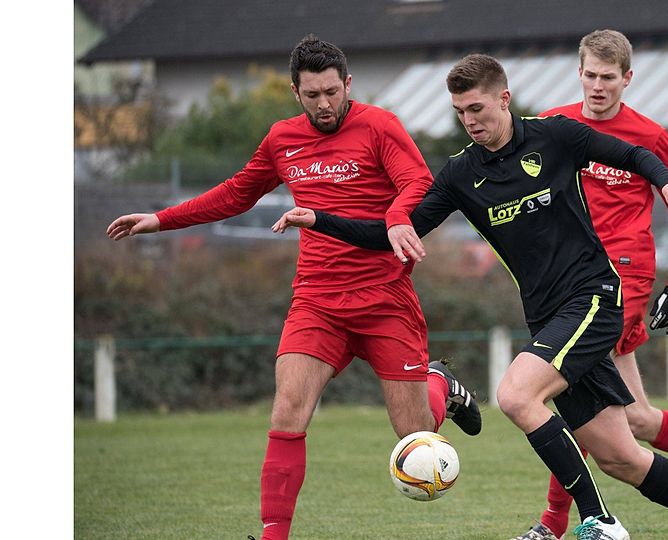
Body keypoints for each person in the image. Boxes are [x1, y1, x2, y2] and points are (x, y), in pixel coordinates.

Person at [273, 54, 668, 540]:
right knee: (622, 457)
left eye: (478, 109)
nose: (470, 121)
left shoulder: (554, 135)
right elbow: (391, 234)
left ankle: (599, 523)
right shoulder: (460, 174)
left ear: (504, 99)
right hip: (548, 316)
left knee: (515, 395)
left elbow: (633, 155)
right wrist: (319, 219)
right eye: (460, 112)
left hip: (593, 297)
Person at [105, 36, 481, 540]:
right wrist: (161, 219)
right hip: (317, 302)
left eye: (332, 91)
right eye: (312, 95)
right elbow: (237, 193)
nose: (325, 104)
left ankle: (440, 386)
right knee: (287, 410)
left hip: (384, 299)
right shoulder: (282, 139)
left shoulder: (379, 125)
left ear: (348, 84)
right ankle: (273, 535)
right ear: (295, 93)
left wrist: (395, 218)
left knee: (415, 437)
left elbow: (418, 181)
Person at [511, 30, 668, 540]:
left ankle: (554, 524)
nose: (598, 86)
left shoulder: (649, 137)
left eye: (609, 77)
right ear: (579, 72)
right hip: (571, 279)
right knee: (636, 420)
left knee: (571, 382)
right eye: (590, 75)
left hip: (622, 281)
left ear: (627, 79)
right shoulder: (554, 125)